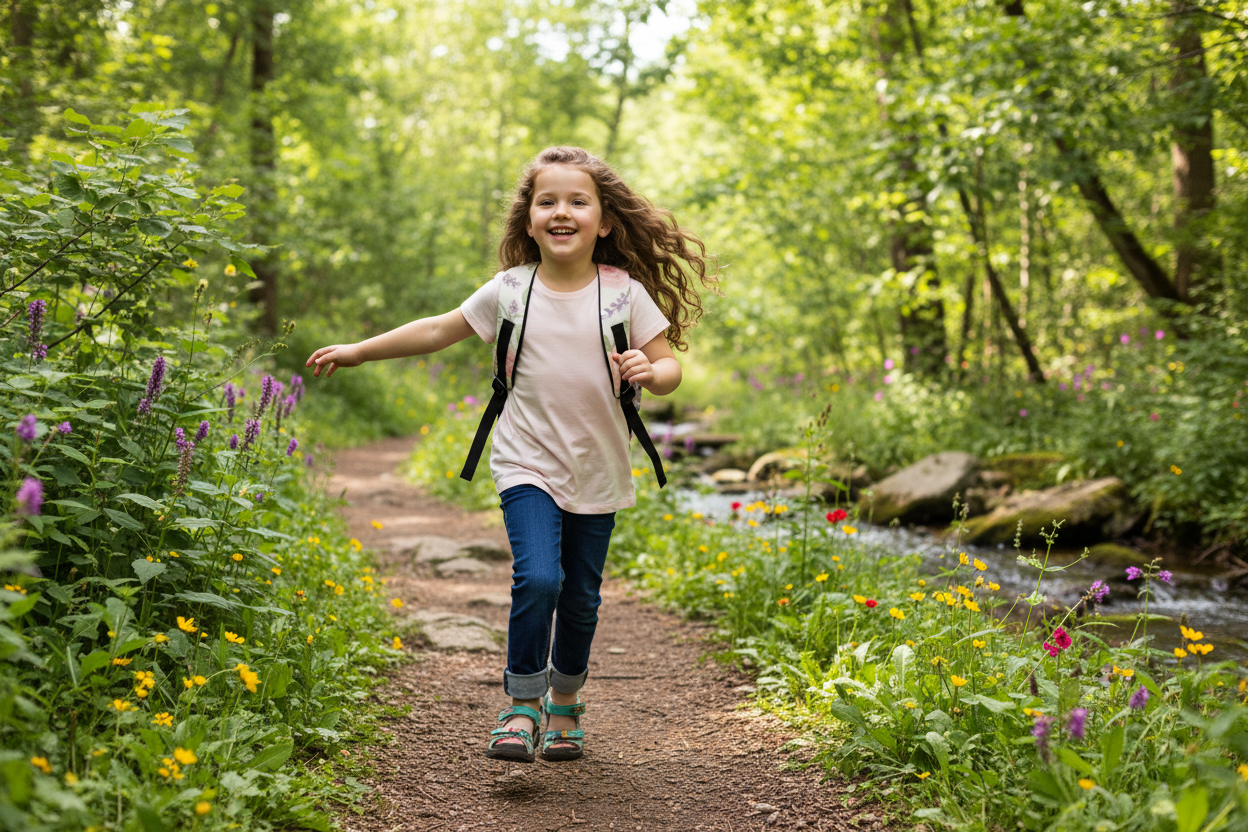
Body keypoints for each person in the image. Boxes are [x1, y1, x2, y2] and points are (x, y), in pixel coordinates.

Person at [305, 146, 716, 763]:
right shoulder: (511, 290)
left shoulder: (622, 294)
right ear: (528, 220)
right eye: (546, 201)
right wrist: (361, 350)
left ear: (604, 221)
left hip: (597, 466)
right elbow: (438, 329)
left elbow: (669, 366)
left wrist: (650, 372)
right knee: (540, 578)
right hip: (526, 461)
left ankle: (567, 704)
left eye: (579, 201)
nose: (562, 211)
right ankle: (523, 704)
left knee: (580, 597)